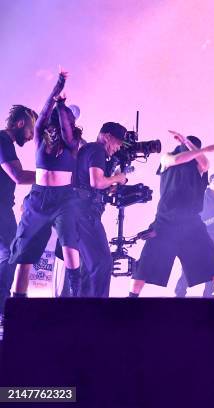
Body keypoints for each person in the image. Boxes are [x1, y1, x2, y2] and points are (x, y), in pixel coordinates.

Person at [128, 131, 214, 306]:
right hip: (165, 222)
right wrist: (199, 147)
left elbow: (205, 163)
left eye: (192, 147)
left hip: (191, 223)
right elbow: (176, 160)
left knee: (213, 259)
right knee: (147, 261)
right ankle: (131, 300)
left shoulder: (199, 165)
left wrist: (194, 147)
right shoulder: (167, 158)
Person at [10, 70, 83, 298]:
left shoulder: (72, 144)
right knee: (24, 255)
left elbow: (65, 127)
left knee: (70, 246)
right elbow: (42, 115)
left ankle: (75, 297)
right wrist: (58, 86)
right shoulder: (40, 137)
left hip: (63, 201)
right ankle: (16, 305)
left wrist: (61, 105)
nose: (56, 129)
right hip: (39, 199)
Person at [74, 122, 128, 297]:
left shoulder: (89, 151)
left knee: (87, 267)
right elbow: (96, 182)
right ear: (107, 137)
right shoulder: (97, 150)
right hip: (85, 214)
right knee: (102, 263)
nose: (118, 148)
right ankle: (98, 312)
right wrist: (118, 178)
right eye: (118, 143)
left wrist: (110, 184)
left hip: (78, 213)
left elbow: (93, 184)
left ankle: (83, 314)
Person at [0, 105, 37, 323]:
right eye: (31, 130)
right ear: (20, 123)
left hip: (4, 209)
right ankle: (4, 309)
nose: (32, 136)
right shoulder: (3, 140)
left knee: (10, 254)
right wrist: (51, 176)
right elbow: (19, 176)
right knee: (13, 253)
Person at [174, 172, 214, 298]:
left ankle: (208, 294)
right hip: (197, 235)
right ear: (209, 182)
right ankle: (180, 293)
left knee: (213, 265)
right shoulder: (200, 196)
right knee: (190, 262)